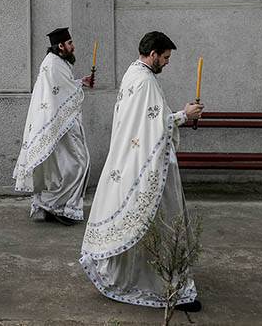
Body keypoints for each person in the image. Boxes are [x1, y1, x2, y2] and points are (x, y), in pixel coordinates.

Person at [81, 31, 203, 312]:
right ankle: (165, 287)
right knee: (162, 222)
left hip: (137, 160)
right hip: (148, 165)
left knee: (149, 224)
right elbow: (152, 128)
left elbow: (145, 123)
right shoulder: (145, 81)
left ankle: (146, 278)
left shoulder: (133, 73)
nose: (167, 62)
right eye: (166, 57)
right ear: (153, 54)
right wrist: (185, 115)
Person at [13, 27, 94, 225]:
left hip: (60, 123)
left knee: (66, 168)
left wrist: (80, 82)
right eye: (70, 43)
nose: (73, 47)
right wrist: (78, 86)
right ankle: (54, 205)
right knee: (78, 164)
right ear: (60, 46)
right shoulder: (53, 63)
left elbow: (62, 88)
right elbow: (59, 93)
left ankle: (55, 205)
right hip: (58, 124)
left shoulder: (58, 62)